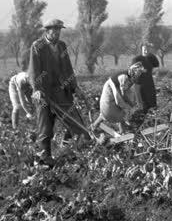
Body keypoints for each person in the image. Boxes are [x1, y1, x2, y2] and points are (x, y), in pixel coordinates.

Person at [28, 19, 87, 166]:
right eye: (54, 30)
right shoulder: (37, 46)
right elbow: (34, 70)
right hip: (44, 93)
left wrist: (75, 87)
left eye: (59, 30)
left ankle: (78, 153)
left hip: (61, 91)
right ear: (47, 31)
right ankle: (45, 160)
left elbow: (68, 68)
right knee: (45, 128)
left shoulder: (62, 46)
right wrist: (36, 89)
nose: (57, 33)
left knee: (75, 123)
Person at [91, 62, 146, 133]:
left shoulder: (131, 77)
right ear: (133, 72)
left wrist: (131, 104)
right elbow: (122, 96)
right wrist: (130, 106)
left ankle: (122, 130)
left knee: (123, 108)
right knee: (110, 110)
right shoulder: (124, 77)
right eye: (138, 74)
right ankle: (94, 126)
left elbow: (127, 93)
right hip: (111, 88)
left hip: (118, 89)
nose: (139, 76)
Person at [129, 43, 160, 125]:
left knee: (153, 104)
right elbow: (132, 73)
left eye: (147, 49)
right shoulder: (136, 59)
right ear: (141, 50)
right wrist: (140, 71)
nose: (146, 51)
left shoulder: (151, 58)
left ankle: (153, 123)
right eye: (144, 49)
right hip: (140, 85)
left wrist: (155, 76)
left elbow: (157, 67)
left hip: (150, 84)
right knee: (142, 106)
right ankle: (140, 125)